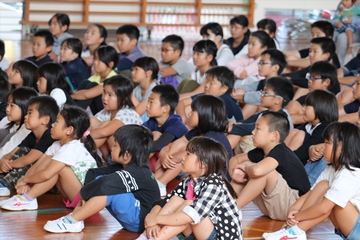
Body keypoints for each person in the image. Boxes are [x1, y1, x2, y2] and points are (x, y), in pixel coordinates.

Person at [43, 125, 160, 233]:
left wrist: (85, 193)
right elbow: (93, 173)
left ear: (127, 155)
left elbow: (105, 184)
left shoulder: (139, 172)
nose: (111, 148)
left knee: (109, 188)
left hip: (142, 220)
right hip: (133, 217)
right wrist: (88, 195)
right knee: (102, 181)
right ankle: (76, 218)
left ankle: (72, 220)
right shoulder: (122, 166)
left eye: (115, 146)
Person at [262, 121, 360, 240]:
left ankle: (295, 231)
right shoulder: (331, 168)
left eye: (327, 143)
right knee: (323, 186)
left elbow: (323, 208)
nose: (323, 147)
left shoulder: (349, 173)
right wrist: (293, 210)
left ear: (342, 148)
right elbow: (311, 193)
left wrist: (298, 216)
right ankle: (292, 231)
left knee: (329, 202)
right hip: (349, 228)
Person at [138, 137, 242, 240]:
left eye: (188, 154)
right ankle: (145, 237)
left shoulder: (214, 184)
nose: (183, 157)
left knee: (188, 206)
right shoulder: (189, 182)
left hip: (220, 237)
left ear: (203, 164)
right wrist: (152, 219)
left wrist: (156, 219)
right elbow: (165, 202)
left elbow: (190, 216)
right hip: (198, 234)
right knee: (176, 200)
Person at [0, 105, 101, 211]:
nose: (52, 124)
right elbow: (38, 164)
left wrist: (24, 179)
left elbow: (47, 174)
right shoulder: (57, 145)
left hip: (86, 200)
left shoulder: (72, 148)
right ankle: (27, 197)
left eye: (57, 122)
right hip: (73, 196)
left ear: (69, 130)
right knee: (50, 162)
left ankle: (28, 199)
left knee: (56, 169)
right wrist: (27, 184)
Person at [229, 112, 310, 221]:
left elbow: (257, 171)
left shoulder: (280, 151)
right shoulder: (261, 151)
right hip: (275, 206)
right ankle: (225, 203)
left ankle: (232, 208)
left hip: (293, 206)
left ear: (274, 136)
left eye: (258, 128)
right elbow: (235, 159)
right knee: (244, 169)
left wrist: (244, 167)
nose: (252, 132)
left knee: (264, 172)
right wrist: (235, 173)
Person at [156, 95, 233, 197]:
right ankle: (155, 182)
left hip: (216, 179)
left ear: (205, 114)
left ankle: (160, 184)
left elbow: (180, 157)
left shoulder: (212, 137)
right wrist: (163, 153)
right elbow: (178, 143)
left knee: (185, 158)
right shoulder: (197, 131)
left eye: (193, 111)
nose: (189, 114)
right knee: (177, 155)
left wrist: (166, 158)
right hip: (199, 171)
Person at [0, 96, 59, 196]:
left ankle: (4, 184)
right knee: (23, 151)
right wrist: (3, 161)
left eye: (30, 113)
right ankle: (3, 181)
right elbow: (11, 153)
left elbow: (28, 160)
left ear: (45, 120)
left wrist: (8, 165)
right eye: (26, 113)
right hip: (32, 174)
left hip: (49, 181)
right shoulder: (32, 135)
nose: (26, 116)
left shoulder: (49, 136)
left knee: (25, 159)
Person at [227, 77, 294, 150]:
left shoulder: (281, 118)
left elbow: (253, 128)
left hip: (265, 150)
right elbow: (246, 123)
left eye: (266, 93)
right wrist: (232, 125)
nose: (261, 95)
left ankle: (219, 154)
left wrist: (232, 128)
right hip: (256, 144)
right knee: (235, 126)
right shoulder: (264, 113)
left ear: (278, 100)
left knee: (236, 132)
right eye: (262, 92)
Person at [90, 75, 142, 162]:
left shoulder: (128, 113)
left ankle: (80, 152)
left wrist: (82, 137)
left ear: (123, 99)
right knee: (92, 121)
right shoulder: (106, 112)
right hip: (112, 153)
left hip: (129, 156)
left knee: (106, 127)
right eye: (104, 92)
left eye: (110, 95)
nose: (104, 98)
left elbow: (104, 131)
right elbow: (90, 124)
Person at [284, 90, 339, 165]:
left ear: (319, 108)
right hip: (294, 159)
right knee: (295, 132)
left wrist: (283, 160)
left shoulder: (325, 128)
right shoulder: (308, 125)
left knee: (300, 134)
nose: (303, 109)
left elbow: (304, 152)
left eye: (307, 106)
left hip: (303, 165)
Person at [232, 49, 287, 119]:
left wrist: (239, 96)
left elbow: (260, 97)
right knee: (239, 91)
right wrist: (228, 88)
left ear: (275, 68)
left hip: (275, 116)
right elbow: (247, 87)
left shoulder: (280, 84)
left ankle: (236, 124)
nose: (259, 66)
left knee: (253, 103)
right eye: (259, 63)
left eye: (263, 63)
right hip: (261, 111)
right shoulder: (262, 82)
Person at [177, 66, 243, 124]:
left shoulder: (225, 100)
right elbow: (182, 102)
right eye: (206, 82)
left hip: (231, 134)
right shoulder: (210, 94)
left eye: (211, 83)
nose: (206, 85)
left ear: (224, 88)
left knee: (193, 111)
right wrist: (182, 117)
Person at [143, 84, 188, 170]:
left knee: (156, 135)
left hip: (177, 164)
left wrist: (137, 147)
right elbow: (136, 135)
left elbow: (158, 145)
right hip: (159, 160)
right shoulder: (152, 121)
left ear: (165, 108)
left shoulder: (175, 123)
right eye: (148, 101)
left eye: (151, 102)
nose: (147, 105)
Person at [285, 61, 340, 125]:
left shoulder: (326, 101)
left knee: (293, 105)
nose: (309, 81)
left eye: (314, 78)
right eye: (309, 77)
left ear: (327, 82)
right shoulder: (309, 96)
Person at [72, 45, 118, 115]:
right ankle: (72, 111)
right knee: (86, 82)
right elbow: (82, 90)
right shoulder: (97, 76)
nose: (95, 62)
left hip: (109, 112)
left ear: (110, 64)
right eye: (95, 59)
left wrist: (68, 95)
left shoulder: (113, 78)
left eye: (99, 60)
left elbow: (87, 95)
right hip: (98, 111)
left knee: (92, 85)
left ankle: (74, 114)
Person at [0, 87, 38, 157]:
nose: (7, 109)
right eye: (7, 105)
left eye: (12, 106)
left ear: (25, 107)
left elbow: (6, 151)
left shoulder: (26, 129)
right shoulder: (10, 124)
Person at [131, 56, 158, 122]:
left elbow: (137, 112)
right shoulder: (137, 89)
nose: (132, 72)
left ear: (148, 73)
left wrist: (127, 93)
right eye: (133, 69)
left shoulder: (153, 90)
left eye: (136, 69)